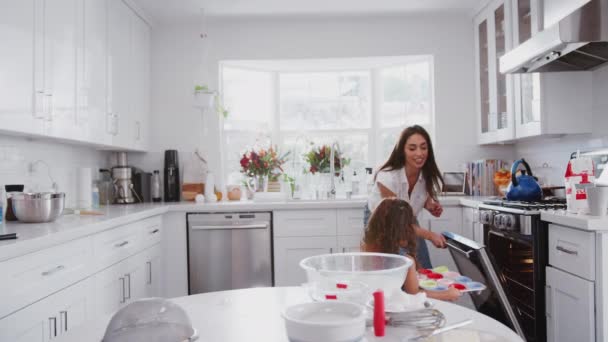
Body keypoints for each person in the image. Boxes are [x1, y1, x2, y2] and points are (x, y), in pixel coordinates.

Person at [364, 125, 445, 269]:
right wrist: (431, 235)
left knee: (422, 266)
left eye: (423, 147)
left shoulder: (426, 174)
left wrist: (429, 205)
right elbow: (396, 220)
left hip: (406, 218)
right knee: (397, 267)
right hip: (382, 220)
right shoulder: (387, 176)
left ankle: (422, 292)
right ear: (402, 151)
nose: (419, 153)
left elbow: (416, 195)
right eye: (412, 148)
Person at [361, 198, 461, 302]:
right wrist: (447, 294)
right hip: (398, 306)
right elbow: (414, 294)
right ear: (405, 229)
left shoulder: (368, 249)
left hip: (373, 303)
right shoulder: (406, 261)